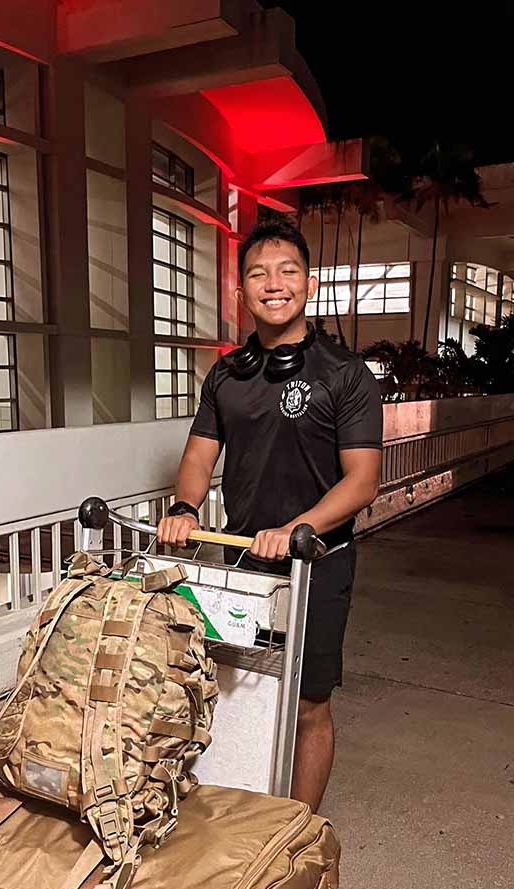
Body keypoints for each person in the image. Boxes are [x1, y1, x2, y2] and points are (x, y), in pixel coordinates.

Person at [157, 218, 383, 812]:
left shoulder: (345, 374)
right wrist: (184, 507)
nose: (273, 283)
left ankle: (295, 832)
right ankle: (235, 813)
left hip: (319, 561)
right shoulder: (226, 376)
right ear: (241, 293)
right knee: (235, 686)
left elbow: (362, 481)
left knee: (310, 703)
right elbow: (197, 457)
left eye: (287, 271)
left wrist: (296, 529)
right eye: (258, 273)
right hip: (241, 564)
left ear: (308, 284)